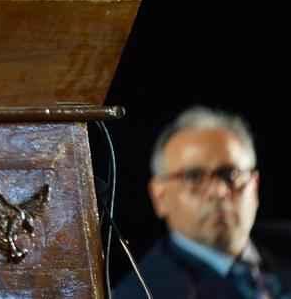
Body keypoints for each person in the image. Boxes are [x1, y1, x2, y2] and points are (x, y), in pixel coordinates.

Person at [115, 106, 291, 298]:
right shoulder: (141, 293)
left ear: (254, 186)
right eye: (194, 177)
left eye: (231, 174)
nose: (219, 191)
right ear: (160, 196)